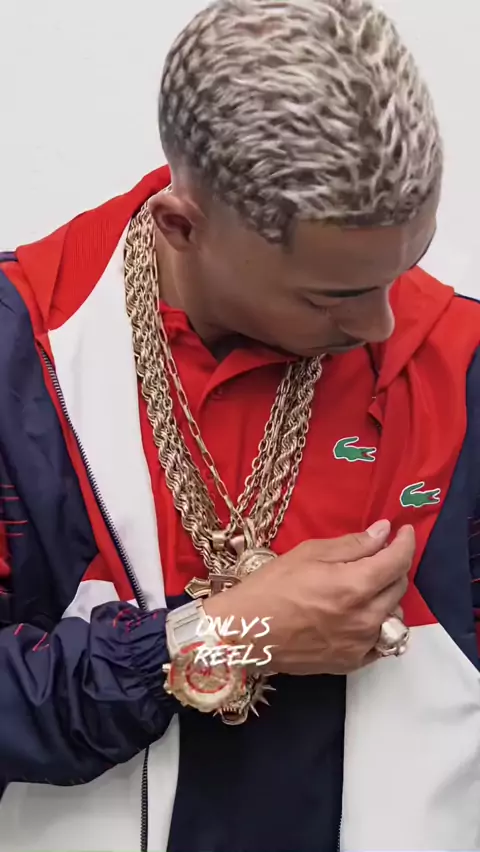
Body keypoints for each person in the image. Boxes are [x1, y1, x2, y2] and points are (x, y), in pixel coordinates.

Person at [0, 0, 479, 849]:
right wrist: (225, 634)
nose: (381, 322)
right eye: (331, 296)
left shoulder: (460, 360)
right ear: (182, 227)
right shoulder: (23, 351)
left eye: (406, 265)